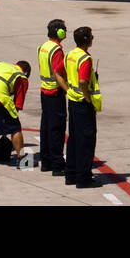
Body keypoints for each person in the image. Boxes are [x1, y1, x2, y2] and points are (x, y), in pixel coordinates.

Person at [64, 27, 102, 188]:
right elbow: (83, 82)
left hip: (72, 101)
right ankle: (84, 178)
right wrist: (88, 99)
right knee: (86, 141)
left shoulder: (71, 55)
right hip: (82, 104)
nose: (93, 38)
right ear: (87, 39)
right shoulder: (85, 59)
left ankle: (71, 174)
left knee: (73, 139)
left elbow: (60, 73)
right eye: (91, 36)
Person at [37, 19, 69, 175]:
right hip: (55, 93)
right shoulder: (56, 50)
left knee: (46, 127)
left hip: (44, 91)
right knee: (57, 129)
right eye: (64, 30)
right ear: (60, 32)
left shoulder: (43, 47)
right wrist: (68, 90)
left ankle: (46, 161)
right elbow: (58, 74)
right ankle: (57, 164)